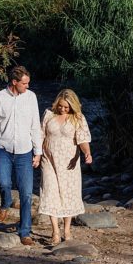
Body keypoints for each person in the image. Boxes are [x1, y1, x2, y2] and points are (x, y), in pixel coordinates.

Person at [0, 65, 42, 245]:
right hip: (3, 149)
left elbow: (35, 125)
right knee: (4, 183)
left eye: (28, 82)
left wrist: (38, 151)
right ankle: (5, 203)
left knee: (26, 194)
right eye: (24, 83)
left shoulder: (31, 97)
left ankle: (25, 231)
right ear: (14, 82)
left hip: (25, 151)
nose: (27, 86)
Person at [39, 89, 93, 245]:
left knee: (68, 194)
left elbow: (82, 139)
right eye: (61, 106)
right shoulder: (49, 114)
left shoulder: (78, 118)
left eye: (66, 107)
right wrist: (36, 155)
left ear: (72, 107)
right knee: (50, 192)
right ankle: (55, 231)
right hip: (48, 160)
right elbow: (41, 134)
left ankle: (67, 230)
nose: (62, 109)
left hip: (69, 162)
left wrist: (87, 153)